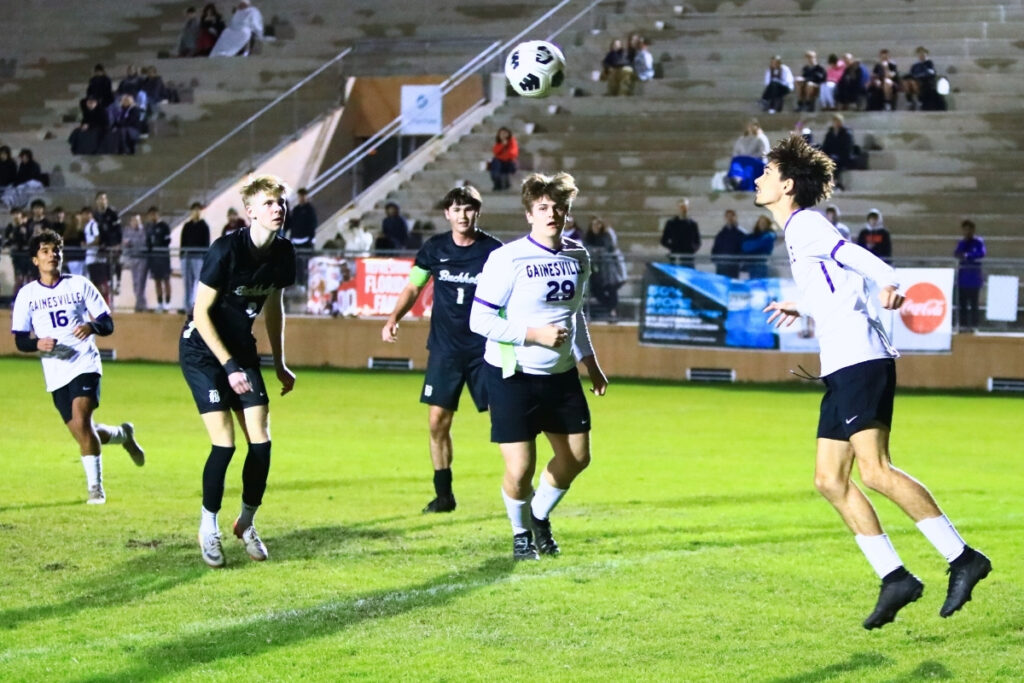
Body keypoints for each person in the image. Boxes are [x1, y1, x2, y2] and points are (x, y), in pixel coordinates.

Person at [758, 134, 991, 630]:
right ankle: (895, 578)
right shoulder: (800, 232)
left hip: (861, 360)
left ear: (786, 184)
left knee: (876, 471)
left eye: (766, 171)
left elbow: (860, 260)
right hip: (842, 366)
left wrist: (890, 281)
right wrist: (797, 305)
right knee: (828, 479)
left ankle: (963, 557)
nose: (758, 178)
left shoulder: (805, 224)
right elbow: (839, 285)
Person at [469, 172, 607, 561]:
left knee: (578, 457)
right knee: (520, 470)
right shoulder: (506, 258)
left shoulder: (578, 255)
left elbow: (575, 314)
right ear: (529, 214)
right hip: (512, 374)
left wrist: (590, 363)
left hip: (561, 376)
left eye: (559, 208)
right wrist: (533, 334)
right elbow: (479, 321)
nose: (552, 214)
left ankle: (539, 515)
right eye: (543, 208)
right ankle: (520, 534)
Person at [179, 174, 296, 568]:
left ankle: (245, 522)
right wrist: (228, 367)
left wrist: (279, 362)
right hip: (203, 350)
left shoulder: (284, 253)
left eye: (281, 202)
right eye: (269, 203)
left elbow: (274, 308)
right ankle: (207, 526)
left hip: (242, 349)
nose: (277, 208)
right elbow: (200, 314)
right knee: (225, 444)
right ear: (250, 212)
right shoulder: (225, 250)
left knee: (261, 442)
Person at [381, 186, 502, 513]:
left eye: (469, 209)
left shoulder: (495, 252)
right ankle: (444, 495)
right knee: (437, 422)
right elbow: (413, 286)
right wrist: (393, 317)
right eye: (456, 209)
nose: (462, 215)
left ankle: (522, 494)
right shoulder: (434, 249)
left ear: (478, 211)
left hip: (485, 350)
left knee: (504, 421)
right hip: (446, 350)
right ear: (447, 213)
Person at [11, 229, 145, 504]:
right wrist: (37, 344)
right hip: (55, 371)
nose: (52, 255)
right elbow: (21, 341)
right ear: (35, 259)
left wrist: (91, 326)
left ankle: (95, 489)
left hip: (85, 362)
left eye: (56, 250)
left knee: (82, 420)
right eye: (45, 251)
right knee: (84, 432)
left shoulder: (79, 285)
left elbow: (107, 323)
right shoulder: (26, 295)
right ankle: (123, 435)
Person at [583, 216, 626, 321]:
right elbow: (586, 249)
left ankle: (613, 312)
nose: (596, 227)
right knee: (596, 290)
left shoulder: (606, 236)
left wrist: (596, 251)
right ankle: (609, 308)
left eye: (598, 225)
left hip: (608, 268)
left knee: (612, 289)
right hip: (595, 268)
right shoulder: (588, 237)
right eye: (594, 225)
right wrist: (596, 251)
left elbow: (609, 249)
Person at [954, 219, 985, 331]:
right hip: (963, 278)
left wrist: (967, 255)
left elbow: (981, 253)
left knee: (973, 303)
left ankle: (974, 325)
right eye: (965, 229)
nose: (967, 232)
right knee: (962, 304)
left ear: (973, 230)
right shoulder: (961, 243)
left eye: (969, 229)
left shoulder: (979, 242)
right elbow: (957, 254)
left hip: (974, 278)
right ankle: (963, 325)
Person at [181, 202, 211, 313]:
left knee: (199, 282)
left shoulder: (204, 226)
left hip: (199, 257)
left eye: (198, 210)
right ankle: (187, 306)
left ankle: (199, 305)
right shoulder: (187, 226)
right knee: (187, 283)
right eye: (194, 210)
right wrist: (182, 256)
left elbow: (206, 243)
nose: (196, 212)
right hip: (187, 257)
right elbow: (183, 242)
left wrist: (205, 257)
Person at [284, 187, 317, 283]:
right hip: (295, 241)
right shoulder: (296, 209)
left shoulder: (310, 210)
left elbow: (313, 224)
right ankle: (297, 283)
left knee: (306, 264)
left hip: (306, 242)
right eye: (300, 196)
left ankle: (305, 284)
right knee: (296, 265)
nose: (301, 198)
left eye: (303, 196)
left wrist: (311, 238)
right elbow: (289, 223)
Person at [93, 192, 123, 296]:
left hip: (114, 244)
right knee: (105, 264)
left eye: (104, 199)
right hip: (103, 245)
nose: (103, 201)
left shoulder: (112, 213)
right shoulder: (95, 215)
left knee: (117, 261)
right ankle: (109, 284)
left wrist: (117, 244)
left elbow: (118, 230)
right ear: (97, 201)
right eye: (101, 199)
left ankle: (118, 283)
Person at [728, 118, 771, 191]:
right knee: (736, 161)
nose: (750, 127)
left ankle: (745, 183)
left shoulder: (761, 138)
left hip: (757, 161)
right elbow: (736, 152)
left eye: (752, 125)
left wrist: (751, 157)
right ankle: (736, 179)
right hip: (743, 159)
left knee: (749, 165)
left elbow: (764, 152)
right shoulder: (741, 139)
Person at [145, 207, 173, 312]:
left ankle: (168, 302)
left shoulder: (164, 226)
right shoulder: (149, 227)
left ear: (158, 214)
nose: (153, 216)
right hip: (153, 258)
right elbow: (147, 242)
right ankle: (160, 302)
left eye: (154, 214)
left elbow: (167, 240)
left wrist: (159, 246)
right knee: (157, 281)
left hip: (164, 257)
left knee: (166, 279)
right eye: (151, 214)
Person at [121, 213, 149, 312]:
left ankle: (141, 304)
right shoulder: (127, 231)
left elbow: (143, 243)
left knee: (141, 282)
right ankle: (141, 303)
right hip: (133, 258)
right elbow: (125, 243)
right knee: (135, 282)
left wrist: (131, 242)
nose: (135, 223)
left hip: (142, 258)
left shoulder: (144, 230)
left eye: (137, 220)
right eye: (133, 221)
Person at [660, 198, 701, 266]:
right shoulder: (671, 223)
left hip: (688, 258)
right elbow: (663, 240)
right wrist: (673, 247)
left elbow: (698, 241)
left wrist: (691, 249)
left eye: (685, 207)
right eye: (681, 207)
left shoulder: (693, 224)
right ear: (678, 208)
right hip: (675, 257)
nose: (683, 209)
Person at [4, 208, 33, 298]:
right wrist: (9, 246)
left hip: (27, 256)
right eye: (14, 214)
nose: (16, 216)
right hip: (16, 256)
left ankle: (29, 299)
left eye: (18, 213)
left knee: (29, 279)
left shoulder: (27, 226)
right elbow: (6, 241)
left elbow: (30, 240)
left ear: (21, 215)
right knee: (19, 279)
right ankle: (15, 299)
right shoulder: (10, 227)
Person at [821, 114, 855, 191]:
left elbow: (847, 149)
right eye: (835, 121)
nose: (836, 123)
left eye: (838, 121)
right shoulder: (829, 134)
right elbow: (825, 146)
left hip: (843, 157)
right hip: (831, 156)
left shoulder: (847, 134)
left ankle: (836, 183)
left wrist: (837, 156)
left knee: (833, 162)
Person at [711, 209, 745, 278]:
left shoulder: (741, 234)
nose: (729, 218)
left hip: (734, 266)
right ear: (725, 218)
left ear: (735, 217)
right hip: (721, 266)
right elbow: (715, 248)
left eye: (731, 216)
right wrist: (715, 260)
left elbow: (743, 249)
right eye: (727, 216)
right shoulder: (721, 234)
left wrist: (739, 261)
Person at [740, 215, 776, 279]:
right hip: (751, 266)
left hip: (762, 265)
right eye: (761, 222)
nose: (762, 224)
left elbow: (754, 245)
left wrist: (754, 244)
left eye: (764, 223)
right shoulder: (752, 236)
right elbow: (745, 247)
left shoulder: (770, 236)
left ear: (768, 224)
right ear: (758, 224)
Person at [903, 46, 937, 111]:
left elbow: (931, 73)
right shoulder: (915, 65)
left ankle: (919, 100)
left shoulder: (929, 63)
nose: (921, 56)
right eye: (920, 54)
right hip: (914, 80)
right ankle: (909, 101)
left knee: (913, 82)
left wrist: (919, 75)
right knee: (906, 82)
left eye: (923, 54)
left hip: (924, 82)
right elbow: (911, 74)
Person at [489, 127, 519, 192]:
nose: (503, 135)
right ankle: (498, 184)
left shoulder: (512, 142)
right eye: (501, 134)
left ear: (508, 134)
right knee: (495, 162)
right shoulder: (499, 144)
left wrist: (501, 156)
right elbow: (495, 152)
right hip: (500, 164)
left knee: (497, 160)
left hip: (509, 164)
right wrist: (502, 145)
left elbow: (512, 154)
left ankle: (504, 184)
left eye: (505, 133)